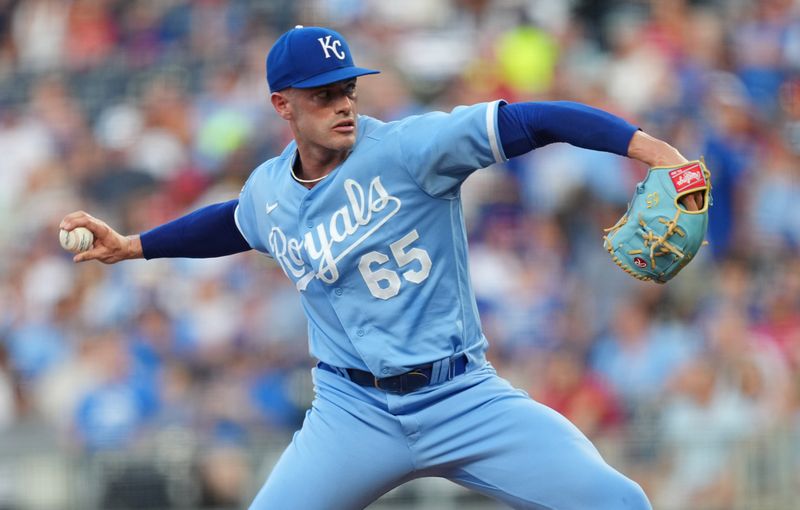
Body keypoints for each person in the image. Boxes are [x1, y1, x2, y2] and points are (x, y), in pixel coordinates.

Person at [61, 25, 703, 510]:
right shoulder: (267, 192)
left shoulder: (409, 147)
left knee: (619, 503)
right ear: (283, 105)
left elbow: (532, 118)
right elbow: (231, 222)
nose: (342, 104)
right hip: (352, 412)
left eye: (348, 89)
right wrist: (133, 245)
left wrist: (652, 150)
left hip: (461, 395)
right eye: (322, 95)